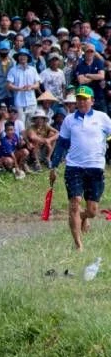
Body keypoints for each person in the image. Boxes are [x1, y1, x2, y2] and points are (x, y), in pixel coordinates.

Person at [49, 85, 111, 251]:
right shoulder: (69, 120)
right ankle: (78, 245)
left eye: (85, 99)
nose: (82, 102)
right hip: (74, 167)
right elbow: (61, 144)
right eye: (79, 99)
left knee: (92, 210)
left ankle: (83, 217)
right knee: (75, 203)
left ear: (92, 101)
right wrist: (53, 167)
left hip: (95, 167)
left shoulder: (103, 118)